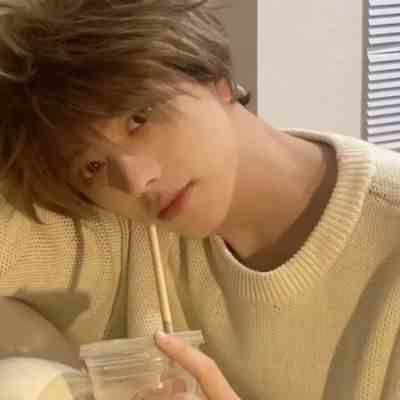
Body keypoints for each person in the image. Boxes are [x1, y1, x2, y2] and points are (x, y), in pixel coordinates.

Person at [1, 0, 400, 399]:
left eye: (139, 118)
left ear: (216, 78)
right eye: (92, 166)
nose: (136, 181)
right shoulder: (125, 227)